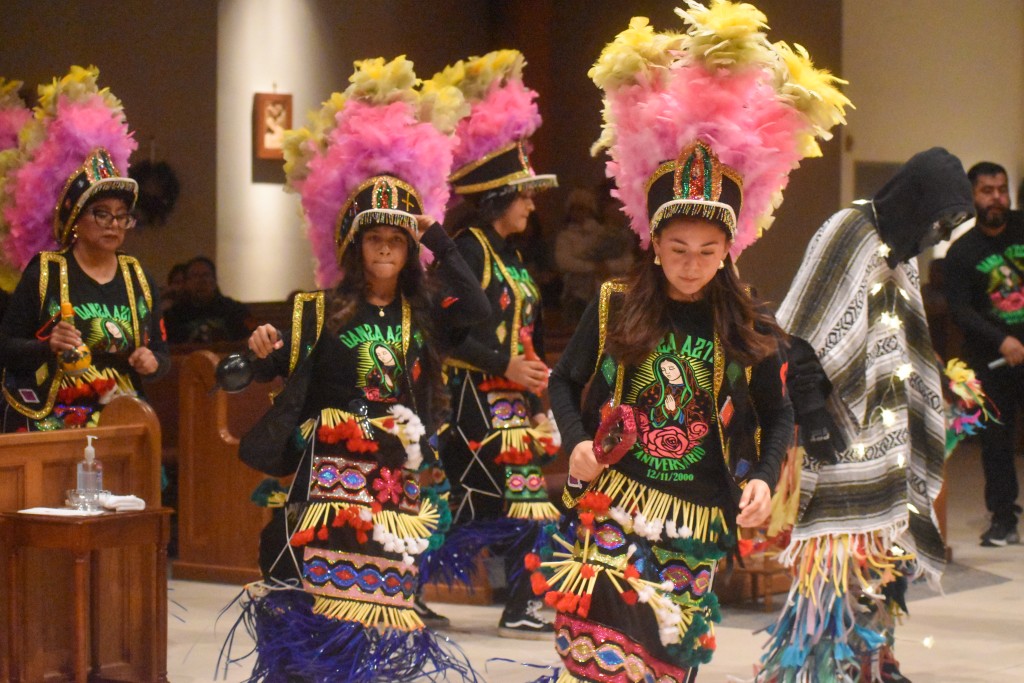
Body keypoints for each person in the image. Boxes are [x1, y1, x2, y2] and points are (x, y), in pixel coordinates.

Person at [530, 5, 846, 680]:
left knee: (666, 662)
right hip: (613, 501)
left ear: (729, 249)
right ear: (654, 243)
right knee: (599, 657)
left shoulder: (746, 319)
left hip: (699, 514)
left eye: (708, 251)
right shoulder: (616, 302)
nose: (692, 263)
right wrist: (577, 441)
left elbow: (779, 409)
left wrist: (762, 477)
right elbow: (564, 380)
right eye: (678, 248)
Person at [228, 57, 487, 682]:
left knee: (376, 608)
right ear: (355, 247)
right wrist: (253, 352)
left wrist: (437, 237)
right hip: (322, 485)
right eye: (376, 240)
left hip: (389, 485)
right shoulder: (316, 311)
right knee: (317, 604)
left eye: (397, 242)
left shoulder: (420, 316)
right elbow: (236, 376)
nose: (387, 250)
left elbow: (478, 311)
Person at [759, 148, 973, 682]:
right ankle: (829, 663)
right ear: (915, 201)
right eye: (940, 222)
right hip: (840, 429)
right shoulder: (846, 231)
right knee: (837, 558)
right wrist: (813, 413)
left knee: (886, 550)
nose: (940, 236)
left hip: (887, 430)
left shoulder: (900, 250)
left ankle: (878, 655)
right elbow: (802, 330)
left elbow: (898, 337)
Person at [425, 50, 562, 639]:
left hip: (510, 399)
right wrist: (503, 362)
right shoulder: (468, 249)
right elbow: (440, 335)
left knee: (477, 502)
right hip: (470, 398)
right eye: (524, 195)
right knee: (488, 501)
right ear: (496, 198)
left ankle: (511, 601)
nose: (532, 204)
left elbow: (522, 331)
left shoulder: (510, 255)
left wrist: (536, 387)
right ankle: (516, 604)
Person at [0, 66, 168, 432]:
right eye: (102, 214)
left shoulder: (138, 277)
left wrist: (151, 361)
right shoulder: (46, 271)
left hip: (124, 418)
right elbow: (6, 346)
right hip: (56, 419)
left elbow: (162, 351)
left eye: (122, 217)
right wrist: (48, 345)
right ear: (76, 219)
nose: (114, 224)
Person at [943, 161, 1023, 546]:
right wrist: (1001, 341)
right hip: (992, 361)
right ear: (972, 196)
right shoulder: (962, 252)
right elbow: (961, 311)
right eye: (987, 191)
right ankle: (1004, 519)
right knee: (997, 442)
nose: (997, 198)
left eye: (1002, 190)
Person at [163, 255, 253, 343]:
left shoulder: (234, 310)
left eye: (206, 275)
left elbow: (245, 341)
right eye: (195, 276)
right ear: (186, 283)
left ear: (214, 281)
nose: (200, 281)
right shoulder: (173, 315)